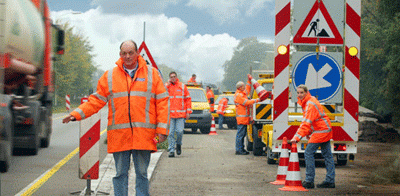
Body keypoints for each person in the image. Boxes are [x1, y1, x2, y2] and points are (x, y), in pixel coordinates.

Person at [62, 40, 169, 196]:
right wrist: (75, 114)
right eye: (124, 53)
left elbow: (162, 103)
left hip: (144, 136)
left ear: (137, 53)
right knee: (120, 174)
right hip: (120, 136)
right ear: (120, 54)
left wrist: (162, 130)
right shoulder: (110, 76)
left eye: (131, 53)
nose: (127, 56)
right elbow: (96, 100)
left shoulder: (152, 74)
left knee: (142, 174)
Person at [290, 84, 335, 189]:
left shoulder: (309, 104)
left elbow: (306, 122)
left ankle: (309, 181)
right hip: (324, 129)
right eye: (298, 93)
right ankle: (330, 181)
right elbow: (312, 120)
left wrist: (296, 138)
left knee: (308, 153)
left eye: (302, 93)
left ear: (306, 92)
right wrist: (309, 132)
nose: (300, 95)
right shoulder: (308, 101)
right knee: (327, 155)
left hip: (321, 130)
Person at [166, 71, 192, 157]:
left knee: (180, 132)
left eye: (174, 76)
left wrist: (188, 112)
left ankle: (178, 144)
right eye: (171, 77)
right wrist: (167, 85)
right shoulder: (167, 86)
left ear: (176, 77)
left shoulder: (182, 86)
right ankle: (171, 150)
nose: (173, 78)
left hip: (181, 115)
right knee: (170, 133)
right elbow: (161, 94)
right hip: (170, 115)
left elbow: (188, 99)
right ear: (169, 78)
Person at [234, 80, 259, 155]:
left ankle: (241, 149)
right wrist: (257, 100)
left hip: (243, 119)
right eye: (243, 86)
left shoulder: (242, 93)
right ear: (240, 87)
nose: (245, 87)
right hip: (242, 119)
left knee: (242, 135)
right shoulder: (239, 95)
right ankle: (239, 150)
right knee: (240, 135)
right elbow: (246, 102)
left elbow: (247, 89)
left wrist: (249, 80)